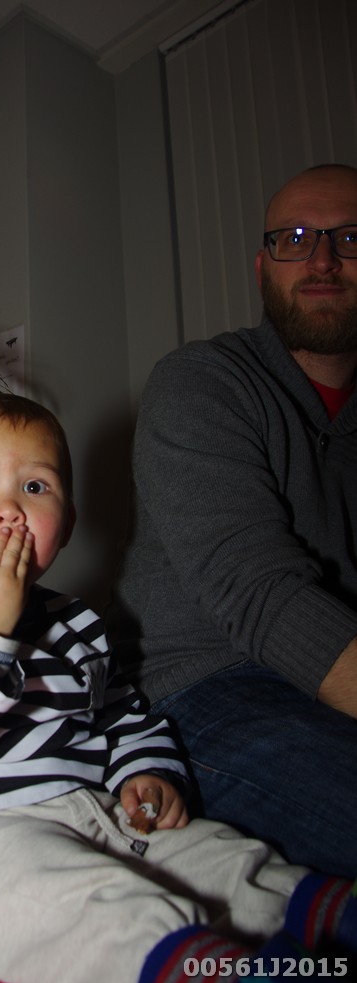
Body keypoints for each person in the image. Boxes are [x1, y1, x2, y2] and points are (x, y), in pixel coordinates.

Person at [0, 394, 356, 983]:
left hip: (94, 813)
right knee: (82, 905)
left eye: (35, 487)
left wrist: (146, 771)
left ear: (66, 525)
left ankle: (327, 921)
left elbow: (121, 719)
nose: (10, 509)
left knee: (220, 858)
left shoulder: (77, 626)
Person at [114, 164, 357, 878]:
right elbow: (258, 592)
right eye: (294, 239)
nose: (321, 259)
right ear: (261, 267)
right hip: (202, 687)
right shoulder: (200, 382)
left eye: (350, 238)